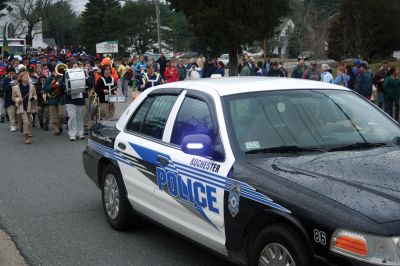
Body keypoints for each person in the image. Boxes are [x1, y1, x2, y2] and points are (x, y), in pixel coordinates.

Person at [63, 62, 88, 141]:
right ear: (71, 67)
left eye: (77, 66)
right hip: (70, 99)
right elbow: (61, 84)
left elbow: (90, 84)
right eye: (75, 66)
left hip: (81, 99)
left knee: (80, 118)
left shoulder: (83, 73)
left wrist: (87, 75)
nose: (76, 67)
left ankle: (80, 133)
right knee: (72, 117)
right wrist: (65, 87)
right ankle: (72, 134)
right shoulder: (66, 74)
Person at [12, 70, 37, 144]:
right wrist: (17, 99)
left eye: (27, 76)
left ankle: (25, 130)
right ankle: (26, 138)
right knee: (25, 121)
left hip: (29, 106)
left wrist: (34, 98)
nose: (27, 78)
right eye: (25, 77)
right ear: (21, 78)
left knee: (29, 122)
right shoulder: (16, 87)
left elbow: (35, 95)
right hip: (21, 107)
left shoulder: (32, 86)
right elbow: (13, 97)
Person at [44, 68, 65, 135]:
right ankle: (56, 129)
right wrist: (53, 86)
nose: (57, 73)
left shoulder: (62, 79)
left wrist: (61, 85)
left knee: (61, 114)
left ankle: (59, 126)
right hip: (52, 99)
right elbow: (46, 89)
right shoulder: (48, 79)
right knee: (53, 116)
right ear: (52, 72)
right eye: (55, 71)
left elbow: (65, 89)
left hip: (60, 99)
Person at [3, 66, 18, 131]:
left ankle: (17, 124)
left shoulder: (17, 79)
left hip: (16, 99)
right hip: (9, 99)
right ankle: (12, 125)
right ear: (8, 73)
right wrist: (10, 85)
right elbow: (4, 89)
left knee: (17, 113)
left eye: (13, 73)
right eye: (10, 73)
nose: (11, 74)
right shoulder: (5, 80)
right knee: (11, 113)